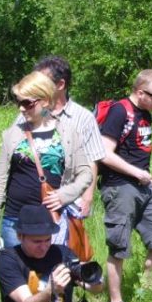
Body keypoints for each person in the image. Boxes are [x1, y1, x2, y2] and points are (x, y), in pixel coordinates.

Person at [0, 71, 92, 250]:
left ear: (46, 101)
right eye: (19, 102)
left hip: (51, 224)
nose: (21, 108)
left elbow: (86, 173)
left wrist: (65, 195)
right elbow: (0, 181)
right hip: (15, 223)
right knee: (17, 276)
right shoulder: (12, 134)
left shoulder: (68, 133)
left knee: (51, 277)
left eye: (27, 103)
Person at [98, 69, 152, 302]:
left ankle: (146, 294)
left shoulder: (145, 113)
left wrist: (150, 179)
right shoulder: (120, 111)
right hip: (119, 187)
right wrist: (136, 173)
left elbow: (137, 153)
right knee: (119, 247)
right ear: (140, 92)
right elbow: (105, 153)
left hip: (143, 186)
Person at [33, 56, 106, 217]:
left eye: (42, 82)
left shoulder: (83, 117)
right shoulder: (29, 113)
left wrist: (87, 198)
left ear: (60, 84)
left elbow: (91, 160)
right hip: (30, 198)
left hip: (68, 201)